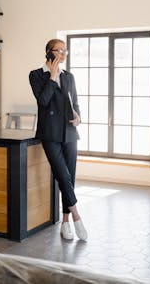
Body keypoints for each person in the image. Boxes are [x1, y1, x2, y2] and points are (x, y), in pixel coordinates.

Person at [29, 39, 87, 241]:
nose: (63, 54)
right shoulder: (36, 75)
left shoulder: (69, 76)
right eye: (59, 50)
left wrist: (78, 117)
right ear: (48, 53)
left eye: (65, 50)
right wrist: (52, 78)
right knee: (62, 175)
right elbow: (43, 101)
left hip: (70, 132)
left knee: (69, 177)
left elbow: (76, 102)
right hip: (50, 134)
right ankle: (77, 217)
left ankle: (65, 222)